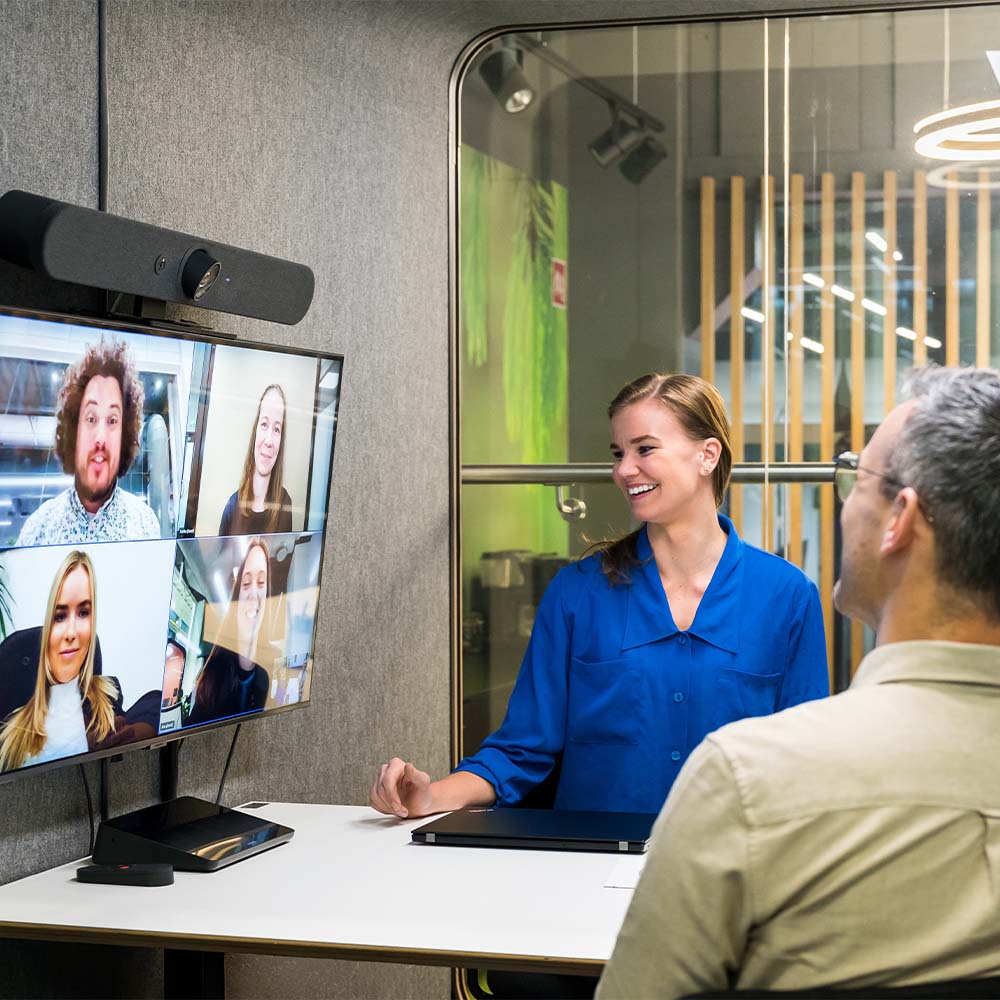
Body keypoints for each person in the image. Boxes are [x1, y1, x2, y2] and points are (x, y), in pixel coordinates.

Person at [597, 366, 1000, 999]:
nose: (628, 468)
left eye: (856, 480)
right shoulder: (583, 593)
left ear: (900, 518)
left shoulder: (744, 781)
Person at [371, 373, 828, 819]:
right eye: (618, 453)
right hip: (589, 871)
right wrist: (430, 798)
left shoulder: (787, 597)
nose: (624, 470)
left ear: (708, 455)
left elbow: (803, 764)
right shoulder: (576, 595)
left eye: (644, 449)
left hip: (732, 874)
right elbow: (522, 750)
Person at [0, 551, 155, 771]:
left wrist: (133, 735)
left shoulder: (106, 696)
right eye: (60, 616)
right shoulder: (13, 720)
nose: (71, 633)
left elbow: (156, 704)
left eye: (83, 613)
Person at [17, 340, 160, 545]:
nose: (100, 438)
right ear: (74, 431)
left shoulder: (145, 526)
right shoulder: (38, 530)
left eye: (112, 420)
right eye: (91, 418)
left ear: (125, 436)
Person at [186, 538, 272, 726]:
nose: (254, 594)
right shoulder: (213, 677)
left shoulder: (266, 678)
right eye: (246, 583)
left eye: (261, 582)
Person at [218, 384, 293, 536]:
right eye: (264, 424)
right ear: (256, 431)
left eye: (277, 429)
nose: (269, 441)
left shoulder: (285, 503)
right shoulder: (232, 507)